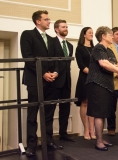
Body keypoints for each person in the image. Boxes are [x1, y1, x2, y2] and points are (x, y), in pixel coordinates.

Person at [20, 10, 62, 157]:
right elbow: (28, 57)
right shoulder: (27, 35)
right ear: (38, 21)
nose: (49, 21)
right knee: (32, 114)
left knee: (49, 113)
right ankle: (31, 145)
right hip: (34, 81)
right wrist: (43, 73)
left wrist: (55, 73)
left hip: (51, 81)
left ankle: (48, 140)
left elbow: (56, 59)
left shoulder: (52, 39)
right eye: (46, 19)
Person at [86, 26, 118, 151]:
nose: (112, 36)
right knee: (99, 113)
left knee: (103, 113)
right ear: (103, 36)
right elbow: (104, 64)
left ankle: (101, 138)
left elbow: (113, 64)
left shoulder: (108, 50)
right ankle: (98, 142)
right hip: (97, 84)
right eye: (110, 35)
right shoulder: (98, 48)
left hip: (107, 85)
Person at [50, 19, 74, 142]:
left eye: (66, 26)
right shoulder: (51, 42)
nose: (66, 28)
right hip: (54, 81)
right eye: (63, 27)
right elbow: (52, 61)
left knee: (65, 108)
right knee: (51, 108)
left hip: (66, 81)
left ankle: (63, 133)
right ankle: (48, 137)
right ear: (56, 29)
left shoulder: (70, 46)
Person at [75, 27, 96, 140]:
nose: (91, 34)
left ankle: (93, 130)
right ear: (84, 34)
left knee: (92, 103)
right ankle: (86, 129)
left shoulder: (95, 48)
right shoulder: (79, 48)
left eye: (92, 33)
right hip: (84, 78)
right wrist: (92, 73)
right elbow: (81, 65)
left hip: (94, 79)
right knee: (84, 103)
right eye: (89, 33)